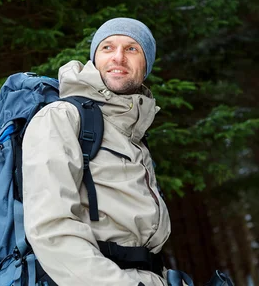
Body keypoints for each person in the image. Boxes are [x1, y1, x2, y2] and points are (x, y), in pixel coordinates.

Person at [22, 17, 171, 286]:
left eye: (132, 49)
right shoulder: (63, 118)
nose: (118, 57)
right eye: (107, 47)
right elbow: (50, 229)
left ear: (146, 65)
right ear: (94, 58)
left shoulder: (132, 133)